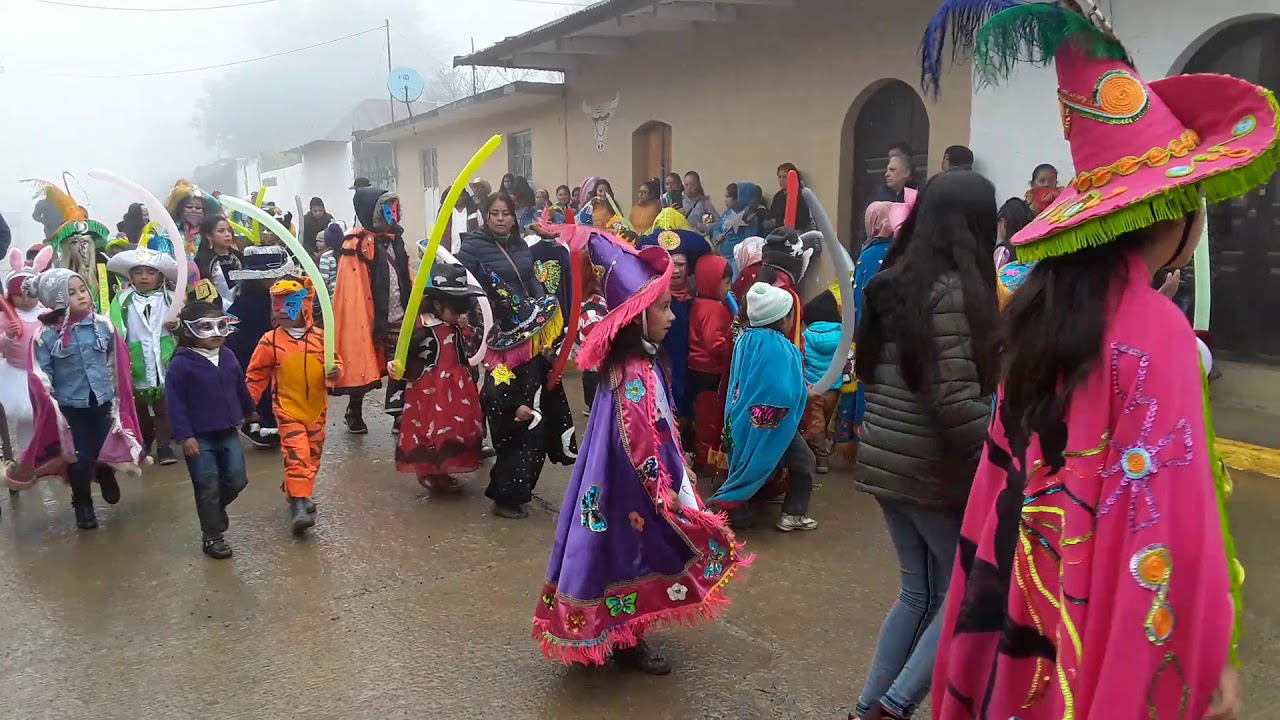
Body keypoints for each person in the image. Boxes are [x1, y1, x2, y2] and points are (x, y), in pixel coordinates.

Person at [920, 4, 1257, 717]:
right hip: (1093, 640)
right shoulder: (1159, 335)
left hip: (1020, 620)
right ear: (1174, 214)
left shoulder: (1039, 314)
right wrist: (1201, 656)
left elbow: (997, 499)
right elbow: (1164, 531)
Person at [533, 230, 753, 673]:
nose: (672, 316)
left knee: (614, 555)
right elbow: (638, 441)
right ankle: (626, 640)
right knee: (634, 555)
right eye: (664, 308)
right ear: (636, 318)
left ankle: (614, 633)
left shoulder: (635, 362)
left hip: (614, 482)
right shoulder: (635, 370)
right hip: (634, 487)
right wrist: (661, 489)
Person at [850, 169, 1000, 720]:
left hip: (888, 462)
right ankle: (891, 707)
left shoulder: (895, 276)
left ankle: (870, 708)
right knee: (963, 595)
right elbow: (957, 402)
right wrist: (1007, 456)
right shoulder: (954, 291)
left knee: (920, 595)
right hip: (930, 474)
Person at [457, 193, 577, 519]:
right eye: (493, 213)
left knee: (542, 410)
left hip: (534, 340)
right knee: (509, 411)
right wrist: (465, 316)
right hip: (498, 348)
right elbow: (458, 286)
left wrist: (547, 317)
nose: (500, 219)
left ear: (513, 217)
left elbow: (531, 282)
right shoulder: (471, 248)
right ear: (485, 216)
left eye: (506, 213)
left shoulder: (521, 245)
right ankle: (506, 493)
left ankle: (522, 485)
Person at [11, 269, 146, 529]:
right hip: (71, 408)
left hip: (103, 402)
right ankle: (82, 503)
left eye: (82, 289)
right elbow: (41, 370)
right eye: (71, 293)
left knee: (104, 448)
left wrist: (120, 395)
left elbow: (115, 357)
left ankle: (106, 473)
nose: (81, 296)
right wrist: (50, 399)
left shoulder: (103, 325)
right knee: (78, 457)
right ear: (56, 300)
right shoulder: (47, 335)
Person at [710, 282, 818, 532]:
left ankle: (738, 509)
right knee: (805, 462)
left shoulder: (745, 339)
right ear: (783, 320)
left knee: (747, 463)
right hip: (773, 422)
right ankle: (793, 513)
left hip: (743, 417)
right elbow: (782, 389)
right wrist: (805, 393)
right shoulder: (781, 347)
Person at [245, 277, 342, 535]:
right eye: (276, 303)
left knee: (312, 456)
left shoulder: (322, 338)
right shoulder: (270, 341)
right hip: (287, 409)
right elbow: (255, 377)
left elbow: (336, 364)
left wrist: (335, 373)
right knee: (297, 454)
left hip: (316, 409)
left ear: (305, 306)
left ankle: (298, 491)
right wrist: (245, 407)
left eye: (289, 303)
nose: (281, 310)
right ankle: (298, 506)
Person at [165, 301, 255, 559]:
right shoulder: (181, 364)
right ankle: (212, 536)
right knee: (206, 484)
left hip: (227, 430)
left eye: (221, 326)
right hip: (198, 436)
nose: (216, 333)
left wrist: (250, 411)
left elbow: (240, 385)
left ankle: (214, 510)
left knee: (237, 478)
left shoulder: (228, 356)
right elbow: (175, 403)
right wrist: (184, 436)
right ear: (188, 332)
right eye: (206, 327)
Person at [832, 196, 914, 462]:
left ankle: (859, 445)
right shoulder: (905, 252)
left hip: (869, 336)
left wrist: (855, 333)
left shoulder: (869, 255)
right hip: (898, 337)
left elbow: (858, 300)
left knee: (862, 388)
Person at [394, 261, 484, 493]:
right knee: (431, 429)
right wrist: (397, 368)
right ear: (437, 304)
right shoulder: (423, 328)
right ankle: (431, 472)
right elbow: (404, 354)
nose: (460, 316)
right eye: (456, 311)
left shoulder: (455, 327)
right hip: (430, 391)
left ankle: (443, 471)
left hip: (457, 388)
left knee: (453, 429)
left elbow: (466, 351)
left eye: (463, 311)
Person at [330, 186, 412, 434]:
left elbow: (405, 273)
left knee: (400, 364)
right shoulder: (354, 244)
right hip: (370, 316)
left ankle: (398, 413)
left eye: (394, 210)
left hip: (399, 313)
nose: (392, 216)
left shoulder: (396, 239)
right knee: (362, 363)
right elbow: (352, 288)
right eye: (387, 210)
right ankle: (354, 410)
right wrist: (364, 320)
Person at [106, 247, 180, 465]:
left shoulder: (170, 298)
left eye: (150, 272)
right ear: (131, 276)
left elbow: (183, 323)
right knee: (138, 407)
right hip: (135, 360)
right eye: (138, 272)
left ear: (160, 276)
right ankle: (145, 441)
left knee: (163, 407)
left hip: (164, 358)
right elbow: (114, 327)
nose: (144, 277)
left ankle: (164, 446)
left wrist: (176, 326)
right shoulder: (123, 300)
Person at [635, 228, 710, 435]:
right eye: (670, 264)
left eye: (680, 264)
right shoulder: (651, 299)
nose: (675, 270)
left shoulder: (698, 295)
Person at [226, 246, 297, 448]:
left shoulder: (286, 299)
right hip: (254, 356)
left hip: (281, 355)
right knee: (260, 393)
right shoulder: (243, 303)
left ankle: (277, 424)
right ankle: (258, 424)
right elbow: (232, 332)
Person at [0, 247, 52, 458]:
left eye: (29, 294)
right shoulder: (6, 318)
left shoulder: (47, 314)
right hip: (17, 374)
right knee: (25, 418)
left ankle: (48, 452)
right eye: (18, 296)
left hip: (44, 372)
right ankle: (26, 455)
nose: (25, 300)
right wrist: (8, 337)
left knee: (48, 414)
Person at [687, 253, 733, 475]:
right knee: (710, 419)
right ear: (712, 280)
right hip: (710, 371)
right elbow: (715, 345)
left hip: (700, 369)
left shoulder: (701, 303)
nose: (729, 287)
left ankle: (704, 458)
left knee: (705, 417)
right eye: (725, 282)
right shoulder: (714, 309)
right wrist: (734, 345)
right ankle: (706, 462)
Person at [800, 291, 842, 474]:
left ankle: (820, 459)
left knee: (815, 424)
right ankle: (825, 450)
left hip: (814, 388)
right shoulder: (843, 334)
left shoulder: (807, 336)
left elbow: (803, 357)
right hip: (835, 389)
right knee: (826, 422)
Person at [993, 197, 1037, 306]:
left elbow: (994, 283)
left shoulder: (1004, 250)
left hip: (1007, 306)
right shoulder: (1037, 245)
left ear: (1003, 222)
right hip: (1032, 303)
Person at [193, 216, 244, 309]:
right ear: (209, 235)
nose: (227, 234)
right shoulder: (201, 262)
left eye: (229, 231)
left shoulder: (239, 257)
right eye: (221, 231)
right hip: (213, 310)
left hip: (242, 308)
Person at [713, 182, 765, 274]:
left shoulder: (749, 218)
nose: (725, 200)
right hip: (723, 257)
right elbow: (717, 228)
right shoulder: (727, 213)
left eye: (728, 197)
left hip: (736, 259)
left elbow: (749, 240)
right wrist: (717, 236)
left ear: (739, 199)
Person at [165, 180, 219, 253]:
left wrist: (194, 189)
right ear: (180, 210)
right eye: (189, 207)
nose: (194, 210)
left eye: (198, 208)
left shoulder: (210, 232)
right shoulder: (170, 231)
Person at [764, 163, 812, 232]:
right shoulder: (778, 196)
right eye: (779, 177)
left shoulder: (800, 195)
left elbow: (802, 221)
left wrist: (778, 222)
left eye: (784, 177)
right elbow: (771, 216)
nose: (781, 180)